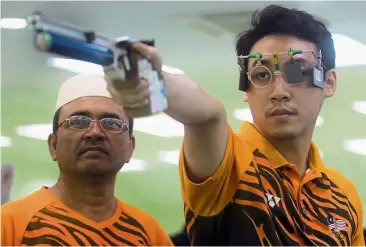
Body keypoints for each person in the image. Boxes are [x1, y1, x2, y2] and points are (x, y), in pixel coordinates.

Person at [104, 4, 365, 246]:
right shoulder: (229, 165)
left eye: (296, 72)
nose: (279, 91)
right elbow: (207, 116)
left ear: (329, 82)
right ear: (246, 90)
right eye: (261, 75)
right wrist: (154, 81)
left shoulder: (342, 193)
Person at [1, 74, 173, 246]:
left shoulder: (148, 234)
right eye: (79, 122)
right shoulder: (10, 224)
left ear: (130, 147)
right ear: (54, 145)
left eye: (111, 123)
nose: (95, 132)